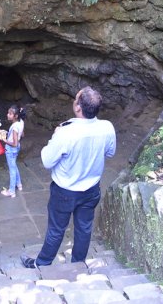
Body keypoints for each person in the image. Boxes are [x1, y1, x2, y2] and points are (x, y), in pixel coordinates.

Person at [21, 87, 116, 268]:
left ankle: (42, 264)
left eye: (76, 98)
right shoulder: (107, 128)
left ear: (78, 108)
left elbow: (47, 160)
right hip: (91, 189)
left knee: (56, 229)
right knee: (84, 228)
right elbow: (110, 153)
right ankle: (78, 264)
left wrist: (55, 137)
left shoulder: (66, 132)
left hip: (65, 190)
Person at [1, 105, 25, 198]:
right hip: (17, 148)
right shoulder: (21, 122)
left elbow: (14, 143)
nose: (8, 115)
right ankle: (19, 184)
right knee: (14, 166)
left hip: (11, 149)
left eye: (10, 114)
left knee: (12, 170)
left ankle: (11, 191)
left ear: (15, 116)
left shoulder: (15, 127)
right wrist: (10, 134)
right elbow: (22, 134)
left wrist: (5, 139)